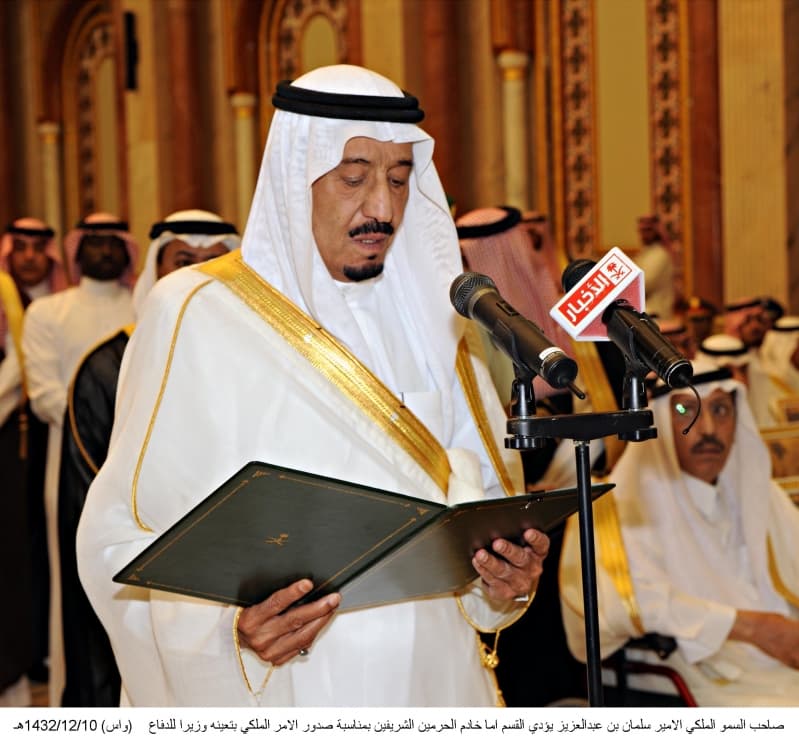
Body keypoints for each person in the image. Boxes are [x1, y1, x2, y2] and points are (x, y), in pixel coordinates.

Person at [76, 65, 548, 707]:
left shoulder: (434, 320)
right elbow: (121, 535)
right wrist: (226, 633)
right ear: (296, 175)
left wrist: (504, 580)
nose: (382, 208)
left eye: (399, 179)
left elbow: (485, 509)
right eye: (354, 178)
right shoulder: (196, 312)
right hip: (287, 687)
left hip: (438, 683)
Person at [58, 210, 239, 707]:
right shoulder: (107, 363)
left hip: (234, 568)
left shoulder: (255, 356)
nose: (198, 274)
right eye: (183, 261)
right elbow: (96, 488)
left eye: (215, 261)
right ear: (156, 271)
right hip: (139, 568)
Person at [560, 363, 799, 705]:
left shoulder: (760, 493)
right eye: (685, 410)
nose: (708, 429)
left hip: (772, 663)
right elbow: (629, 607)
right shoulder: (614, 506)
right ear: (660, 419)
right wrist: (751, 627)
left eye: (720, 410)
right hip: (680, 674)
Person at [22, 212, 139, 707]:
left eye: (114, 241)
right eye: (94, 241)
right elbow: (45, 395)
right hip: (70, 461)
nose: (104, 249)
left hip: (145, 466)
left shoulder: (144, 307)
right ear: (75, 250)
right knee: (74, 577)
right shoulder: (48, 312)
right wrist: (105, 433)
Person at [0, 218, 67, 704]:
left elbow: (19, 367)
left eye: (36, 248)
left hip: (42, 442)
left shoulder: (56, 305)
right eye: (18, 247)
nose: (28, 257)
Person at [635, 215, 675, 320]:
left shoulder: (659, 254)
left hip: (655, 313)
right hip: (646, 312)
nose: (644, 234)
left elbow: (644, 284)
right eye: (641, 230)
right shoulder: (646, 253)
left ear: (657, 231)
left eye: (648, 230)